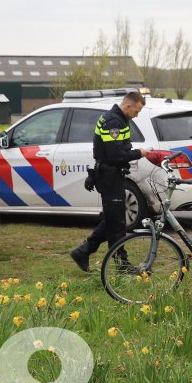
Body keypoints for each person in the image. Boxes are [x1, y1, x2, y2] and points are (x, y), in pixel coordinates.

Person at [69, 91, 148, 272]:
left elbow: (118, 148)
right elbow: (115, 155)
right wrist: (139, 153)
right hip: (109, 178)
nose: (137, 115)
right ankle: (121, 264)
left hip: (113, 176)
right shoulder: (113, 122)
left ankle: (84, 252)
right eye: (137, 111)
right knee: (117, 223)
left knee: (113, 221)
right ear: (128, 106)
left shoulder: (120, 120)